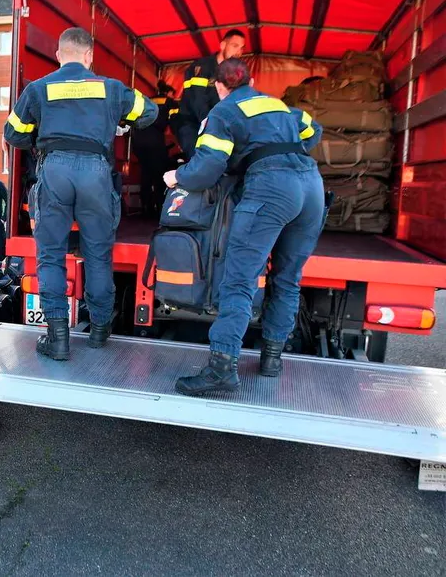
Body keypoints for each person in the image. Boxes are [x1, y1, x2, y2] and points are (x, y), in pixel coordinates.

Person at [163, 58, 324, 396]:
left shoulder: (223, 112)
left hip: (272, 189)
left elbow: (207, 168)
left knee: (238, 280)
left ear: (219, 86)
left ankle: (221, 370)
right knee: (288, 278)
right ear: (251, 80)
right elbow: (313, 130)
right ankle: (271, 361)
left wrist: (176, 176)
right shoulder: (279, 105)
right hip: (311, 186)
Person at [3, 27, 158, 361]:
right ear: (89, 56)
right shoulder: (111, 88)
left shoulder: (38, 88)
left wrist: (40, 136)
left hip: (54, 170)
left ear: (59, 55)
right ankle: (100, 332)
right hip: (96, 173)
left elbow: (13, 133)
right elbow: (150, 111)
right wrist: (121, 123)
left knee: (50, 257)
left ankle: (58, 339)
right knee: (99, 255)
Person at [173, 29, 246, 159]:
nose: (238, 52)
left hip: (217, 126)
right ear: (223, 45)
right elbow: (198, 102)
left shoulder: (236, 73)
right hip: (192, 125)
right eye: (235, 46)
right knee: (199, 162)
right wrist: (217, 127)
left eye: (241, 48)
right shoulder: (201, 67)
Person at [133, 81, 180, 219]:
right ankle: (159, 210)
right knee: (160, 175)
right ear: (169, 93)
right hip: (155, 142)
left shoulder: (147, 99)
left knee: (145, 174)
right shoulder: (170, 102)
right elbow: (175, 122)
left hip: (139, 142)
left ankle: (145, 208)